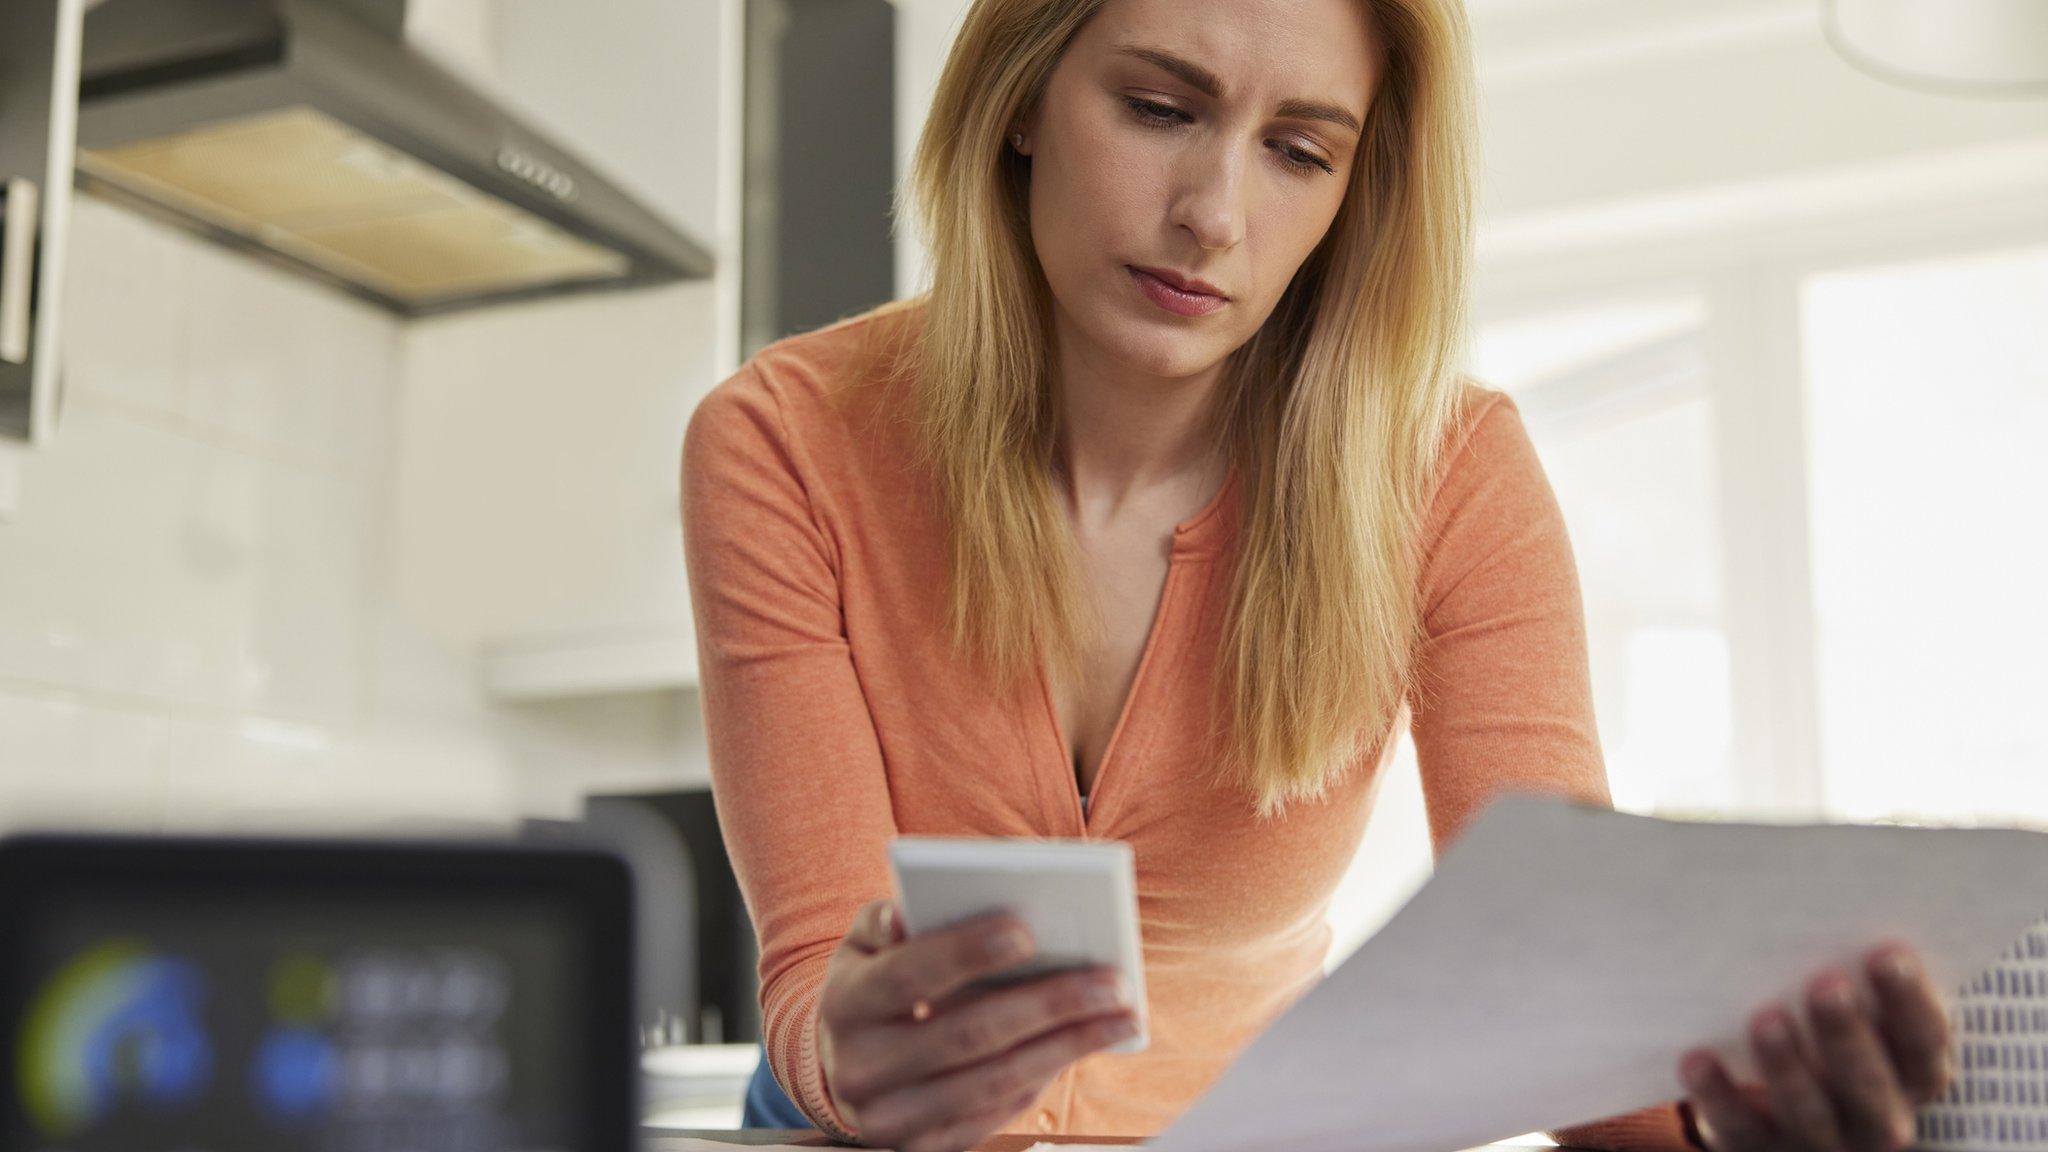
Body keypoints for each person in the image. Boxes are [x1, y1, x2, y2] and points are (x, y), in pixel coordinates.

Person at [679, 1, 1955, 1150]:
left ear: (1357, 186)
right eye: (1158, 109)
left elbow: (1561, 999)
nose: (1213, 215)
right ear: (1017, 99)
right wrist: (856, 1057)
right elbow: (811, 979)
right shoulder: (784, 441)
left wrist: (1731, 1118)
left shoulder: (1447, 473)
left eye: (1298, 150)